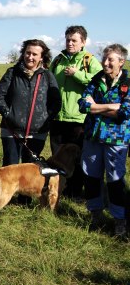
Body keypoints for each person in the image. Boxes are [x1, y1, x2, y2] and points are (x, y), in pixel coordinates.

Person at [78, 44, 130, 239]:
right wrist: (110, 107)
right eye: (105, 58)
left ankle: (119, 222)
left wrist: (96, 106)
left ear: (121, 62)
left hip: (116, 140)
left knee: (115, 180)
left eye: (111, 60)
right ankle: (96, 217)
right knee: (91, 176)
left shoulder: (128, 83)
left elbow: (125, 112)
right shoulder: (96, 78)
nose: (106, 63)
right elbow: (83, 105)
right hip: (93, 136)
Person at [49, 26, 103, 199]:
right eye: (68, 40)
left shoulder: (89, 60)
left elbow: (101, 82)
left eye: (74, 40)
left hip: (79, 119)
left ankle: (75, 192)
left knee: (77, 158)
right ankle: (57, 190)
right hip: (57, 117)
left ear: (83, 42)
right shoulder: (58, 60)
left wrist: (77, 74)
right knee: (57, 156)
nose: (70, 43)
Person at [0, 39, 61, 171]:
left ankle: (25, 193)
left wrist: (45, 119)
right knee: (9, 169)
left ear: (42, 57)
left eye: (35, 54)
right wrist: (8, 115)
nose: (30, 57)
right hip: (11, 131)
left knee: (29, 172)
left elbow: (56, 102)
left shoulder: (48, 76)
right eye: (27, 53)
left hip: (37, 133)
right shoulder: (12, 73)